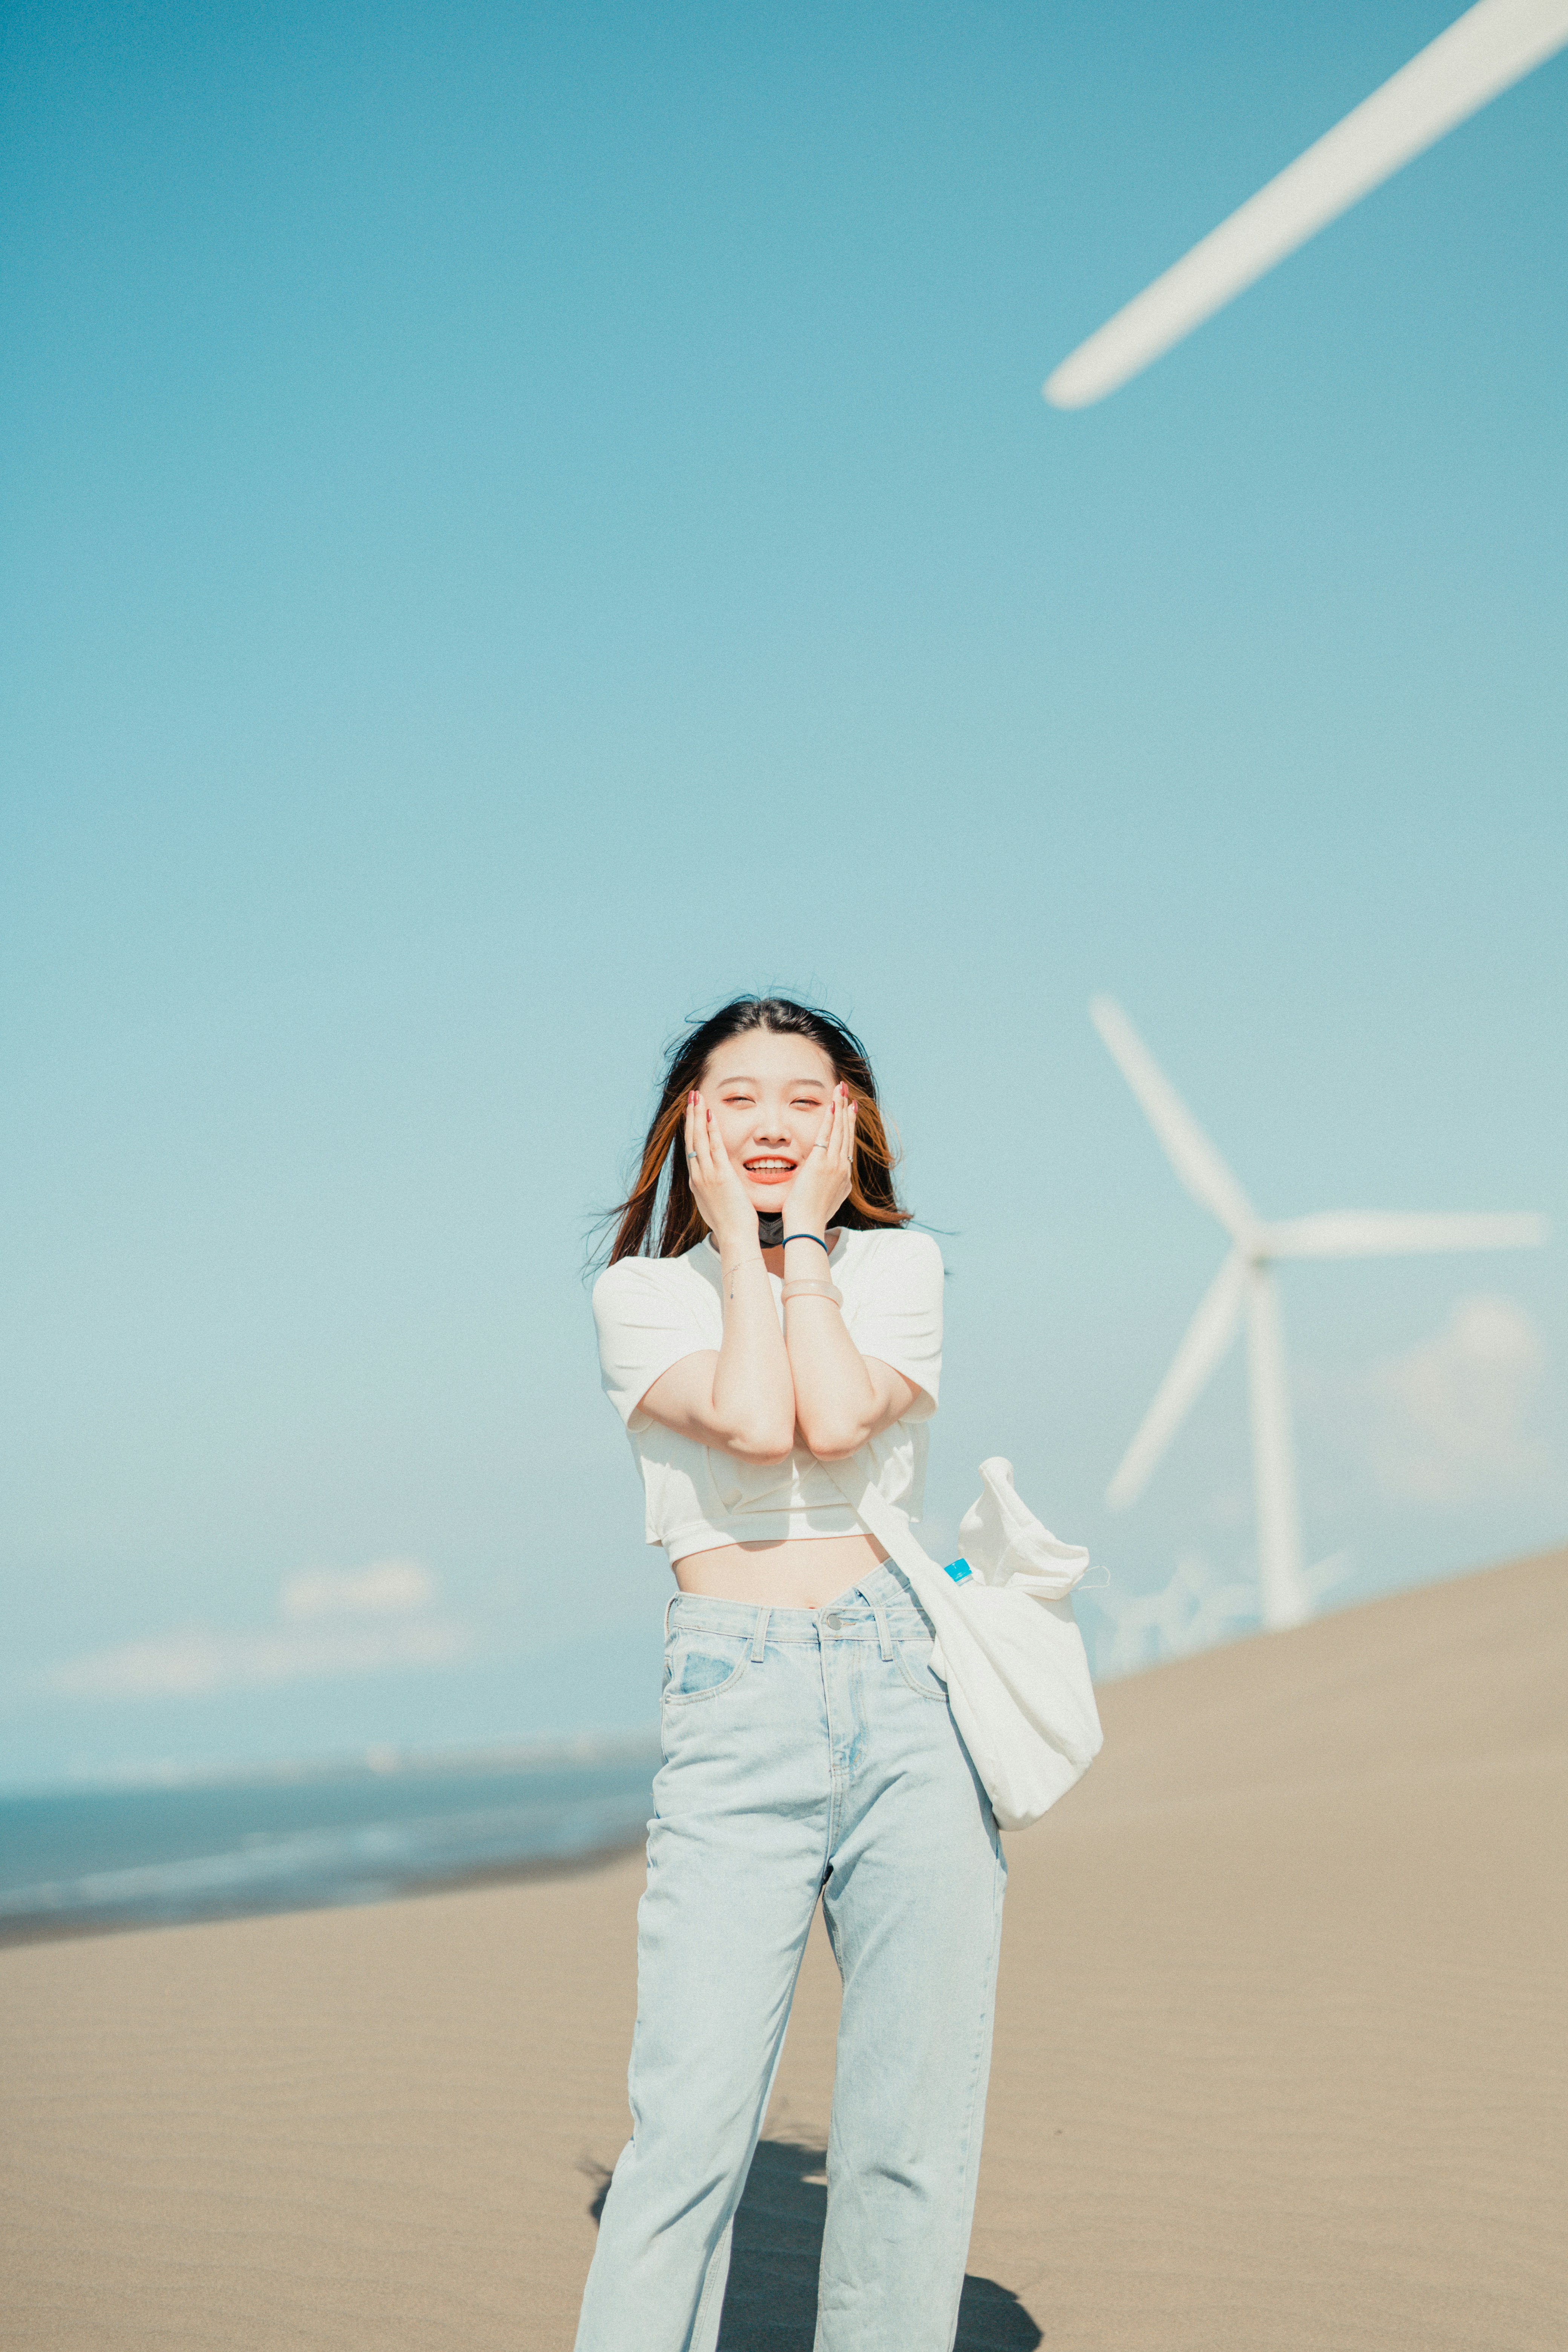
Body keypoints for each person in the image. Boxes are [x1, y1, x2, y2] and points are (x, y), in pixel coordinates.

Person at [574, 995, 1005, 2352]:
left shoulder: (901, 1269)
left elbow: (839, 1409)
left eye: (804, 1097)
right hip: (734, 1695)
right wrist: (756, 1257)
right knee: (688, 2130)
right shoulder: (641, 1295)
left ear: (850, 1123)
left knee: (908, 2131)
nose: (771, 1122)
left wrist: (807, 1246)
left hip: (907, 1685)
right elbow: (763, 1427)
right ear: (689, 1123)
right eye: (736, 1095)